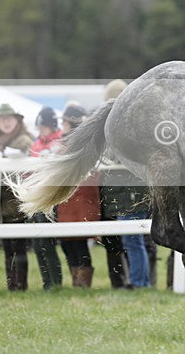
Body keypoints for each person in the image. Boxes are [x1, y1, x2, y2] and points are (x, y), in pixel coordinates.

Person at [99, 79, 148, 289]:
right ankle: (138, 280)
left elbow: (119, 155)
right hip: (122, 192)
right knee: (130, 241)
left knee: (133, 241)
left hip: (132, 193)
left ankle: (140, 282)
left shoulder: (130, 126)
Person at [0, 103, 35, 290]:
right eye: (2, 119)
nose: (5, 122)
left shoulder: (23, 141)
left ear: (17, 121)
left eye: (9, 118)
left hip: (17, 202)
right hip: (1, 204)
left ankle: (20, 285)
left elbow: (27, 171)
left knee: (18, 247)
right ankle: (12, 285)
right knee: (8, 248)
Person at [56, 103, 100, 288]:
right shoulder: (68, 142)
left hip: (80, 198)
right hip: (70, 200)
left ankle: (82, 283)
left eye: (64, 122)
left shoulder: (80, 143)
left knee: (78, 243)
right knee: (69, 243)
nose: (62, 125)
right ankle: (77, 281)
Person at [28, 107, 65, 290]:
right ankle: (46, 281)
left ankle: (55, 282)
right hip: (35, 196)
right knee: (36, 243)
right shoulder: (36, 144)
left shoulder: (59, 143)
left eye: (42, 126)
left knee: (46, 243)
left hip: (49, 196)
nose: (40, 130)